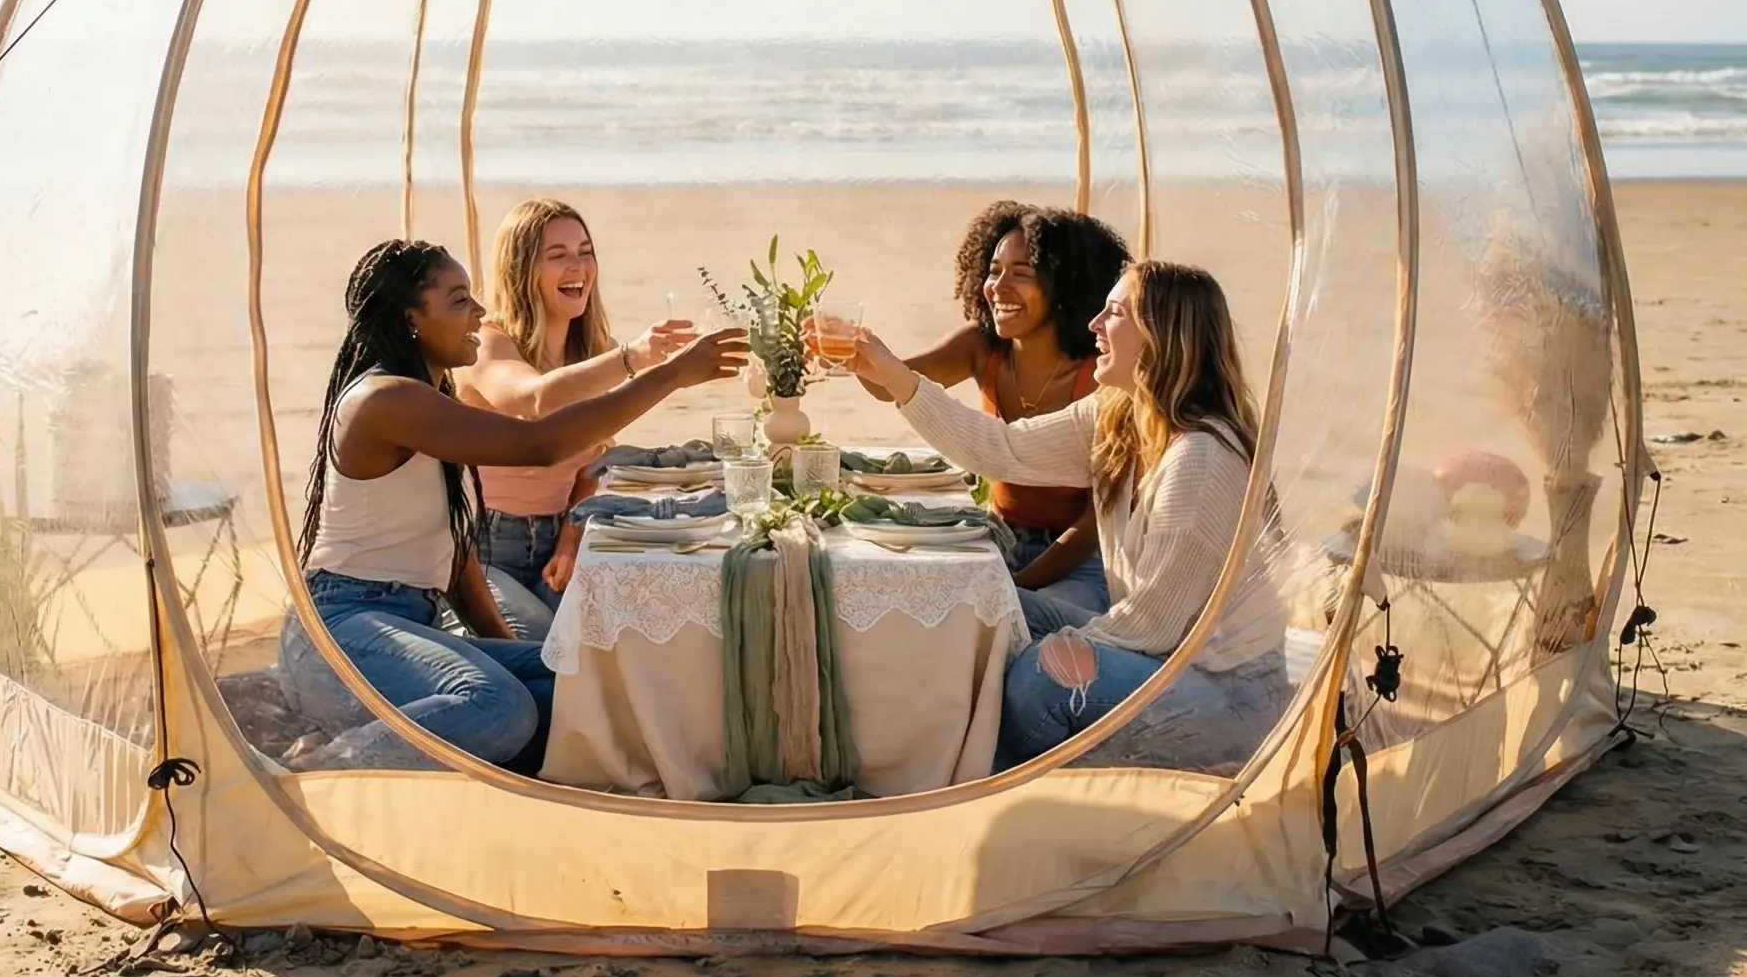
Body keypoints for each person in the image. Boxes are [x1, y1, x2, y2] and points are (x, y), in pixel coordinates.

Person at [279, 238, 745, 770]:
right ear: (412, 319)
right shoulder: (384, 400)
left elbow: (457, 561)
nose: (478, 310)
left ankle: (410, 756)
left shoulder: (432, 399)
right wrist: (671, 373)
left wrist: (517, 658)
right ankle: (318, 774)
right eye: (459, 300)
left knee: (584, 686)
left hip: (408, 622)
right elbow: (540, 443)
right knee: (498, 707)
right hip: (338, 628)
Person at [846, 259, 1288, 774]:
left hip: (1224, 692)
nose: (1094, 325)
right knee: (995, 606)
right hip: (1162, 657)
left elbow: (1153, 627)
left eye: (1115, 313)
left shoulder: (1201, 459)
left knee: (1040, 677)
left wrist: (1051, 652)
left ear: (1162, 337)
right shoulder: (1118, 415)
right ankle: (946, 757)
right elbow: (1003, 449)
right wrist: (895, 377)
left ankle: (977, 785)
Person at [859, 201, 1127, 618]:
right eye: (994, 270)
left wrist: (1014, 584)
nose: (998, 286)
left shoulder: (1101, 376)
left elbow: (1093, 527)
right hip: (997, 538)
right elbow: (889, 384)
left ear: (1067, 287)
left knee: (1010, 617)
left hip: (1081, 562)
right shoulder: (981, 346)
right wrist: (851, 349)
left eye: (1021, 274)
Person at [458, 199, 694, 637]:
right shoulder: (488, 344)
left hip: (555, 543)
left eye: (585, 252)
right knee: (540, 654)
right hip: (481, 550)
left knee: (620, 639)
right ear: (521, 269)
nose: (578, 266)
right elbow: (535, 402)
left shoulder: (597, 353)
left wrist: (569, 540)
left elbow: (593, 463)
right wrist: (636, 359)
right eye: (558, 256)